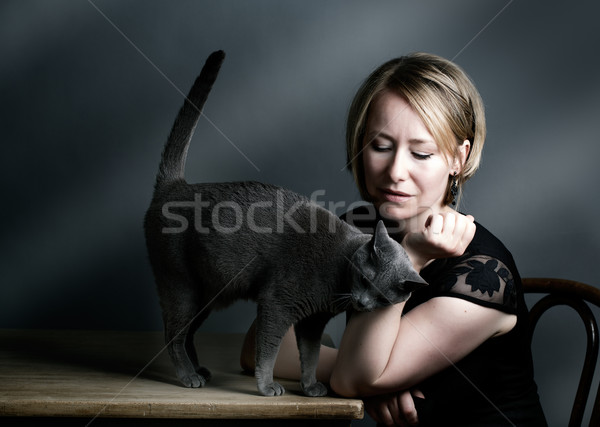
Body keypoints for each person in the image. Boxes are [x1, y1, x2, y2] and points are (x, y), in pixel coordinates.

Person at [240, 52, 547, 426]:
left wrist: (410, 257)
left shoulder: (483, 276)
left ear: (458, 159)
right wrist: (375, 378)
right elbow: (260, 345)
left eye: (421, 153)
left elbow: (354, 379)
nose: (395, 171)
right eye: (380, 146)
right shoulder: (356, 229)